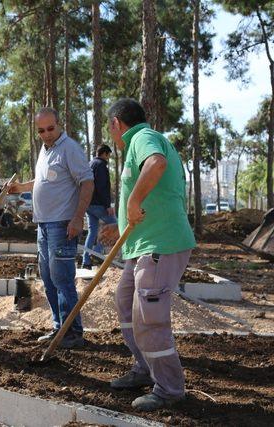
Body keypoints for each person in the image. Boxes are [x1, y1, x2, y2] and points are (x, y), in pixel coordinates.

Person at [99, 98, 196, 411]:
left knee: (149, 320)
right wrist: (122, 224)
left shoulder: (142, 138)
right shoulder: (137, 143)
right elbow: (150, 196)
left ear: (116, 123)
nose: (110, 133)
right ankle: (143, 368)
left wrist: (132, 201)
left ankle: (169, 389)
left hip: (160, 246)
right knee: (125, 302)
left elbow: (156, 164)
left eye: (109, 126)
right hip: (143, 244)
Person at [9, 107, 93, 349]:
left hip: (63, 224)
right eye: (41, 130)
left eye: (50, 128)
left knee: (62, 278)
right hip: (43, 225)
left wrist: (78, 218)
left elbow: (87, 182)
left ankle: (72, 332)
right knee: (47, 278)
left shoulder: (70, 149)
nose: (46, 134)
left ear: (60, 124)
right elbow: (43, 181)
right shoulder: (45, 151)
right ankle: (59, 328)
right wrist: (19, 187)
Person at [81, 144, 117, 268]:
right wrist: (107, 205)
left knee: (92, 232)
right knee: (115, 225)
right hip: (98, 204)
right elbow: (102, 187)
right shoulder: (101, 165)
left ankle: (86, 261)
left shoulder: (90, 164)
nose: (108, 159)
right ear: (105, 153)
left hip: (88, 204)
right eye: (108, 156)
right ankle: (96, 254)